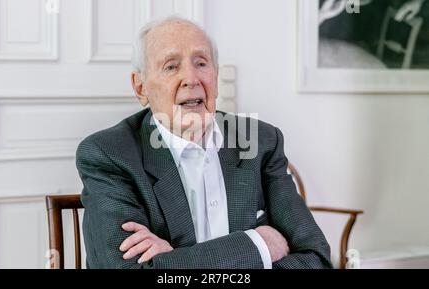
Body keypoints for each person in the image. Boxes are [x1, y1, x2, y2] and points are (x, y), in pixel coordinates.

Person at [76, 16, 332, 269]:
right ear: (140, 87)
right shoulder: (109, 154)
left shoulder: (261, 141)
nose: (191, 78)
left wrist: (174, 261)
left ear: (216, 77)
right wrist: (259, 245)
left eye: (201, 63)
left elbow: (316, 258)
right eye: (171, 66)